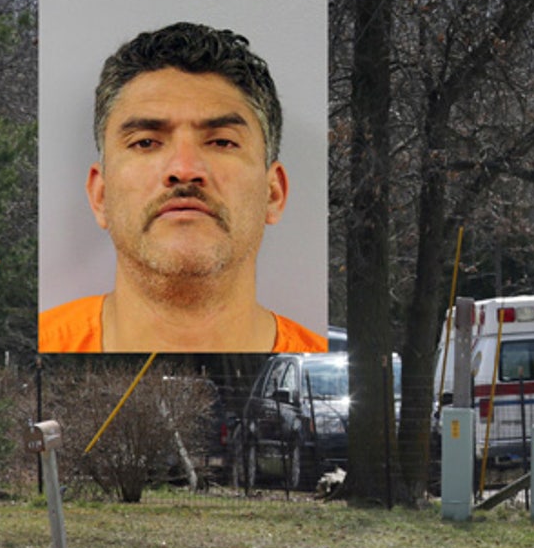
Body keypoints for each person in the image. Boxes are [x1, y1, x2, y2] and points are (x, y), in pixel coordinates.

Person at [38, 22, 326, 353]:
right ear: (100, 195)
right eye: (146, 142)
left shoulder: (321, 364)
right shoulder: (45, 346)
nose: (185, 169)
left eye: (221, 142)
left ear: (273, 193)